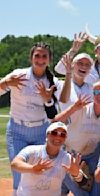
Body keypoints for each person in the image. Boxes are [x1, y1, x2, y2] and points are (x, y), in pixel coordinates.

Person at [0, 42, 62, 192]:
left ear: (49, 60)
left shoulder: (52, 82)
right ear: (31, 58)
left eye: (44, 56)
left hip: (41, 131)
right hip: (17, 130)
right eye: (37, 55)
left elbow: (60, 106)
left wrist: (48, 98)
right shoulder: (18, 75)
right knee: (18, 172)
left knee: (40, 172)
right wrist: (7, 82)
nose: (40, 59)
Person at [54, 81, 100, 195]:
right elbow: (56, 122)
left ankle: (64, 183)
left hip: (92, 157)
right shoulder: (82, 108)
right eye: (97, 92)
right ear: (93, 94)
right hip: (70, 156)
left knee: (95, 192)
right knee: (80, 192)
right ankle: (64, 182)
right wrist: (73, 109)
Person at [10, 121, 84, 196]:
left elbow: (83, 180)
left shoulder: (66, 158)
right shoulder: (31, 151)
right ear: (47, 135)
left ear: (65, 139)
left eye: (62, 135)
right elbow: (15, 164)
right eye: (54, 133)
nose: (58, 137)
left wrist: (76, 174)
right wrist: (32, 169)